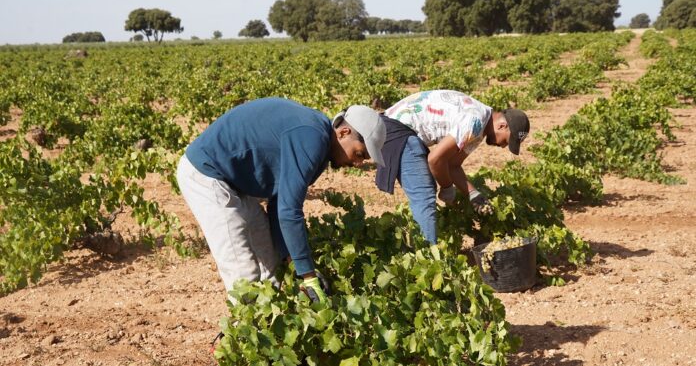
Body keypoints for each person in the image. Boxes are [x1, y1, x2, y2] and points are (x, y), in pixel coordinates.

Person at [177, 97, 386, 303]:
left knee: (271, 261)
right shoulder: (311, 137)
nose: (359, 163)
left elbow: (278, 203)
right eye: (360, 154)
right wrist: (308, 275)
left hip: (234, 181)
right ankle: (244, 332)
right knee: (244, 273)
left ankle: (266, 327)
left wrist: (291, 260)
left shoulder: (319, 145)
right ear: (344, 132)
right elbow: (289, 210)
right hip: (206, 175)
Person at [376, 90, 530, 244]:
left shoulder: (480, 126)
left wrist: (473, 194)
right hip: (396, 130)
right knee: (424, 195)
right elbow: (435, 160)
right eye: (506, 141)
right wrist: (447, 187)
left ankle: (424, 250)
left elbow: (453, 165)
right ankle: (427, 257)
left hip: (399, 129)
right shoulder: (475, 121)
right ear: (502, 126)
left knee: (425, 192)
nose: (503, 146)